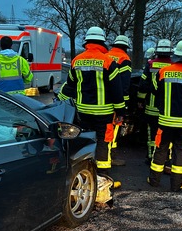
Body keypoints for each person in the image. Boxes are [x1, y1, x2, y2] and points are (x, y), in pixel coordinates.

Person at [57, 26, 125, 173]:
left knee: (86, 139)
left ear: (87, 41)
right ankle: (102, 175)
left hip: (83, 111)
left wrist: (58, 100)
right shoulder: (108, 61)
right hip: (104, 113)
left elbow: (70, 86)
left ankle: (86, 171)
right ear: (102, 42)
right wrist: (120, 111)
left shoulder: (76, 61)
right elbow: (116, 90)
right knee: (103, 141)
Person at [148, 40, 182, 192]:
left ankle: (154, 181)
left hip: (165, 120)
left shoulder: (163, 71)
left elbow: (154, 90)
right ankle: (177, 184)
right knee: (181, 150)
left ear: (176, 55)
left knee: (161, 148)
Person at [137, 39, 173, 164]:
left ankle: (151, 156)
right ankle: (166, 158)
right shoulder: (174, 66)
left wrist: (141, 99)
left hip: (151, 108)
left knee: (152, 135)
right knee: (167, 135)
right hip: (168, 109)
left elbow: (143, 84)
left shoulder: (150, 64)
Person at [107, 35, 132, 166]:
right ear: (126, 47)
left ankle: (110, 154)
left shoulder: (106, 55)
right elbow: (125, 84)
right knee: (113, 129)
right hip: (116, 101)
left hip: (102, 100)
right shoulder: (125, 59)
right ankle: (110, 157)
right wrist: (124, 106)